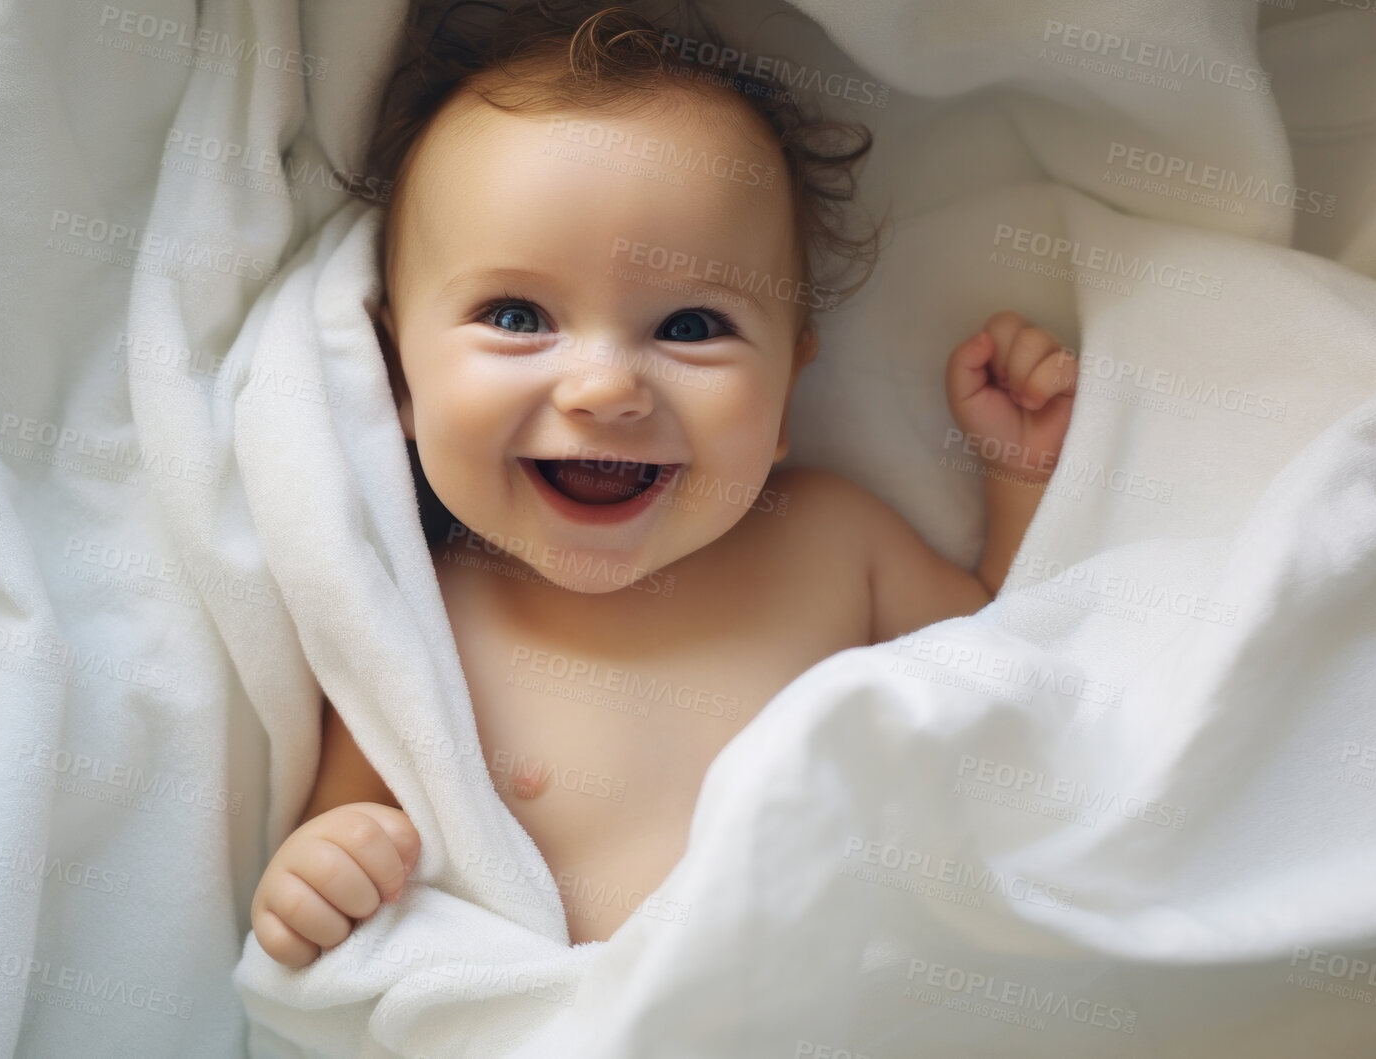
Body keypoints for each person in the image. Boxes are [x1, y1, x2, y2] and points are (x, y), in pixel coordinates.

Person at [251, 0, 1077, 962]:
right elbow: (337, 829)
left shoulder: (832, 541)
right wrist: (316, 870)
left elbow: (1004, 677)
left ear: (781, 397)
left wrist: (1018, 473)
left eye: (689, 327)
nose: (605, 388)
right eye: (517, 315)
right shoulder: (420, 615)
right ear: (396, 377)